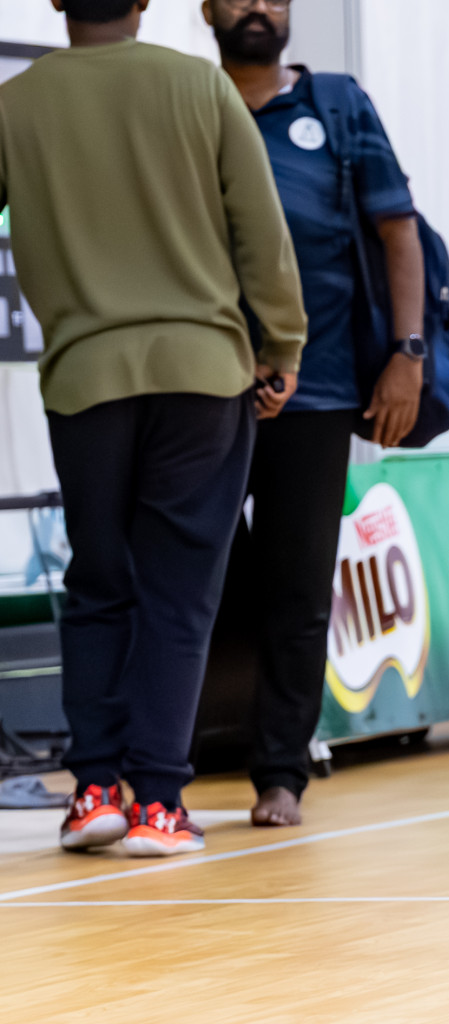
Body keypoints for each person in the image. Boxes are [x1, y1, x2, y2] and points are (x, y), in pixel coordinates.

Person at [0, 0, 306, 856]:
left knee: (99, 584)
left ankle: (92, 788)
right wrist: (280, 346)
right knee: (178, 593)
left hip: (84, 379)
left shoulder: (16, 104)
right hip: (204, 375)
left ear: (57, 2)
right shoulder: (200, 86)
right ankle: (159, 805)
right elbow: (262, 235)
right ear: (143, 1)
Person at [203, 0, 424, 828]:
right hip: (207, 387)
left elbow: (397, 230)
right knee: (205, 577)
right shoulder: (192, 97)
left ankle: (280, 774)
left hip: (323, 386)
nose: (257, 6)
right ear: (205, 10)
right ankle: (184, 757)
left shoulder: (337, 104)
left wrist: (407, 352)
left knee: (298, 589)